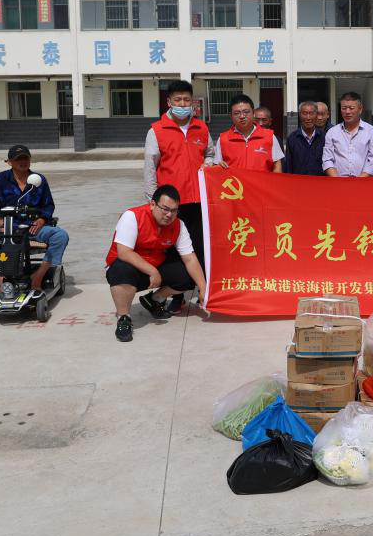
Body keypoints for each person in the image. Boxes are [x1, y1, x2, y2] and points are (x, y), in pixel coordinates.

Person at [143, 79, 213, 315]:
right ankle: (176, 295)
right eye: (178, 100)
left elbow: (210, 153)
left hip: (199, 201)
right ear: (169, 102)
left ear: (193, 102)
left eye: (187, 100)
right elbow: (150, 168)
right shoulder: (156, 130)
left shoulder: (201, 128)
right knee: (174, 252)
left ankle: (203, 292)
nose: (183, 104)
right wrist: (153, 203)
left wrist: (208, 163)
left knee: (199, 248)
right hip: (171, 206)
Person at [106, 185, 207, 343]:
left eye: (174, 210)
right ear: (153, 204)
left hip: (155, 266)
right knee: (121, 270)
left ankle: (154, 299)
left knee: (188, 276)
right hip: (130, 266)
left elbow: (190, 258)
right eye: (165, 209)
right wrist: (152, 271)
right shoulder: (132, 216)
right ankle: (123, 317)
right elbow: (124, 252)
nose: (169, 215)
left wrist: (203, 288)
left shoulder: (178, 225)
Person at [0, 145, 69, 290]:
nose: (23, 161)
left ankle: (37, 277)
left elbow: (48, 206)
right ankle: (2, 280)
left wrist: (41, 220)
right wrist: (2, 226)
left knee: (61, 236)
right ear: (9, 162)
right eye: (18, 159)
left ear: (30, 160)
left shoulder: (39, 180)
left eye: (25, 158)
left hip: (33, 229)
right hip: (9, 229)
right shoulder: (0, 179)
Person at [214, 94, 284, 172]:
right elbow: (216, 166)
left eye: (246, 112)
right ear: (231, 116)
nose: (242, 116)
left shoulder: (269, 136)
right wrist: (218, 167)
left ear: (253, 113)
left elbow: (277, 165)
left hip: (261, 180)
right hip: (234, 180)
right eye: (237, 113)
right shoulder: (223, 139)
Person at [322, 92, 373, 177]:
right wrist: (337, 180)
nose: (347, 112)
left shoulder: (372, 132)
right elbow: (327, 160)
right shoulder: (332, 132)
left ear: (360, 109)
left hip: (364, 182)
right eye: (344, 108)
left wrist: (358, 182)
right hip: (338, 182)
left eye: (351, 108)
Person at [284, 101, 326, 176]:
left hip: (320, 181)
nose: (308, 117)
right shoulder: (292, 139)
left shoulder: (324, 137)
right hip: (299, 181)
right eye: (305, 113)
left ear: (316, 115)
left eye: (311, 113)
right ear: (299, 115)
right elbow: (288, 166)